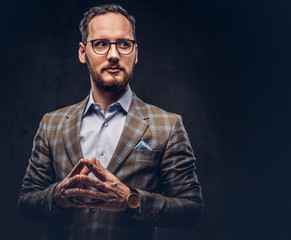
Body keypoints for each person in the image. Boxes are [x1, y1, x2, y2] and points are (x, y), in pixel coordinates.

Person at [18, 4, 204, 240]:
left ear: (135, 53)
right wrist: (56, 196)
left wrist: (130, 200)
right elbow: (26, 203)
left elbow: (191, 210)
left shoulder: (168, 126)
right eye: (101, 44)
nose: (114, 55)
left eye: (123, 44)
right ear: (83, 53)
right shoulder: (51, 124)